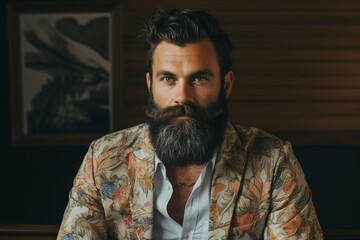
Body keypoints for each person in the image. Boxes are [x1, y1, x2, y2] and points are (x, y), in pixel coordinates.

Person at [57, 8, 323, 240]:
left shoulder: (273, 161)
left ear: (226, 84)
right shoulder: (103, 159)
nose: (182, 96)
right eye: (168, 79)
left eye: (199, 79)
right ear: (150, 85)